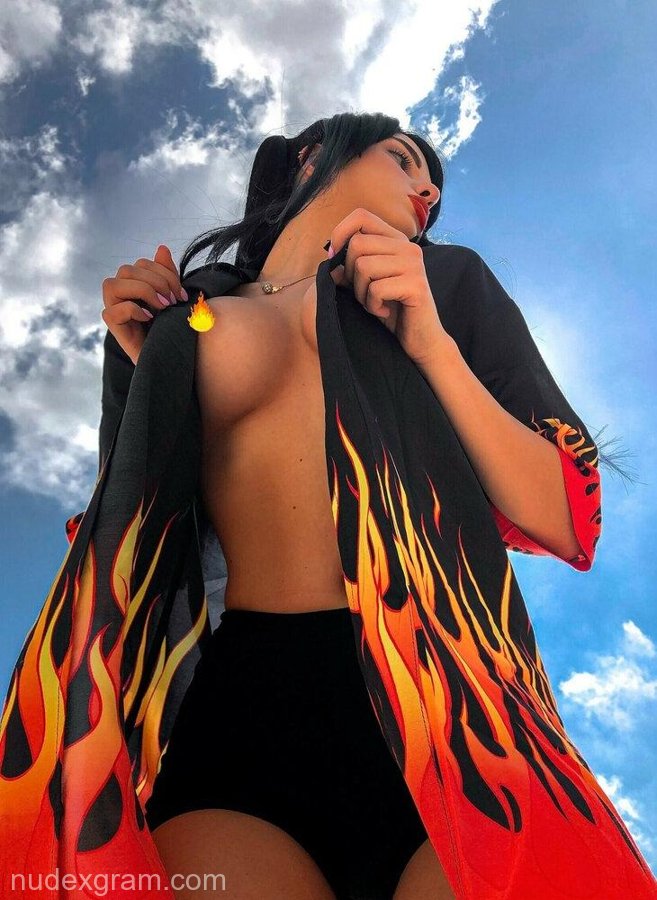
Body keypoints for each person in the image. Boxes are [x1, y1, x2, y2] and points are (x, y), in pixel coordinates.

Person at [1, 112, 654, 900]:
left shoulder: (443, 278)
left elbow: (561, 515)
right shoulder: (184, 316)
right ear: (312, 157)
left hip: (447, 704)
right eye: (404, 160)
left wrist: (430, 344)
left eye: (434, 188)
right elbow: (125, 545)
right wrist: (155, 384)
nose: (426, 192)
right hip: (240, 707)